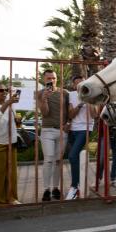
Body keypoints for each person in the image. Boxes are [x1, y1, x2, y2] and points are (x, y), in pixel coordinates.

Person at [35, 70, 70, 201]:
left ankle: (55, 188)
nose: (52, 80)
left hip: (62, 131)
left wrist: (69, 123)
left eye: (54, 78)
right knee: (49, 158)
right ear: (44, 79)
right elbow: (44, 113)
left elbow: (70, 110)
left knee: (58, 161)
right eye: (49, 78)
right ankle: (46, 189)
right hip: (47, 130)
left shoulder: (64, 92)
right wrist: (44, 99)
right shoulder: (39, 93)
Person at [66, 76, 97, 199]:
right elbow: (70, 114)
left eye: (82, 83)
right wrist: (79, 105)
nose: (80, 85)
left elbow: (94, 115)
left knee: (72, 155)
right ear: (74, 86)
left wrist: (88, 101)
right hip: (73, 129)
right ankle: (79, 184)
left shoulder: (91, 94)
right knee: (76, 157)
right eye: (77, 84)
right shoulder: (71, 95)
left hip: (85, 129)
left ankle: (75, 186)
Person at [0, 82, 20, 205]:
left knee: (12, 173)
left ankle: (12, 198)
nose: (4, 92)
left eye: (6, 90)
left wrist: (17, 120)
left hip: (12, 142)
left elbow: (12, 122)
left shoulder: (10, 105)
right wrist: (7, 103)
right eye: (1, 90)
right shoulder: (1, 105)